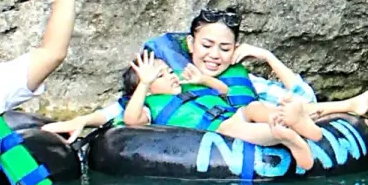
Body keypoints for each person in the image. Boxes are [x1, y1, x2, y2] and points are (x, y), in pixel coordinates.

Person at [43, 7, 368, 142]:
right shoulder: (170, 78)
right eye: (206, 45)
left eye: (224, 48)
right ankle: (347, 107)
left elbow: (303, 98)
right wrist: (81, 120)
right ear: (191, 44)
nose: (215, 55)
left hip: (251, 115)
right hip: (223, 129)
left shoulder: (242, 79)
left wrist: (267, 56)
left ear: (235, 50)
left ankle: (348, 107)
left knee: (271, 106)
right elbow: (121, 109)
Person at [117, 52, 319, 169]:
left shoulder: (187, 86)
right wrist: (144, 83)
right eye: (160, 76)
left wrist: (202, 79)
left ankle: (288, 119)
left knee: (253, 108)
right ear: (146, 90)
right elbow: (131, 120)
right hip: (218, 128)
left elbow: (223, 90)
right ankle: (282, 133)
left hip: (231, 113)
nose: (171, 76)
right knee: (233, 129)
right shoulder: (149, 106)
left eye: (170, 71)